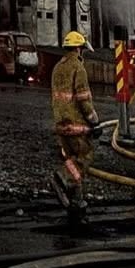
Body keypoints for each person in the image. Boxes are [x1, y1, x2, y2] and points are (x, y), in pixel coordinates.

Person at [50, 29, 98, 220]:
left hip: (60, 124)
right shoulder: (78, 68)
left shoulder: (57, 68)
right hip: (76, 125)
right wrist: (94, 120)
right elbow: (83, 99)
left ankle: (77, 201)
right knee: (84, 158)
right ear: (79, 49)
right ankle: (61, 178)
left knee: (71, 161)